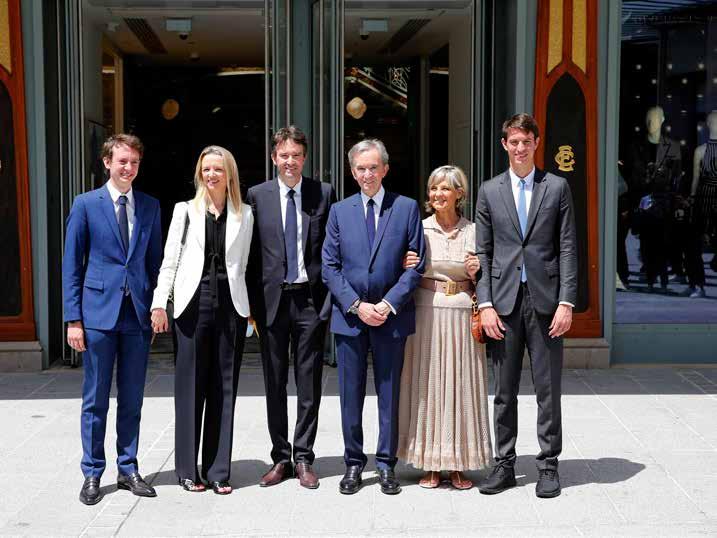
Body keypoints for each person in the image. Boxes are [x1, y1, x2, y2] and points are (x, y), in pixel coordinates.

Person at [475, 113, 577, 499]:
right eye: (514, 142)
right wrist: (485, 303)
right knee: (504, 390)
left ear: (536, 144)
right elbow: (483, 252)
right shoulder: (489, 190)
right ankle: (504, 464)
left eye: (526, 142)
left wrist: (566, 301)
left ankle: (548, 465)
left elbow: (567, 246)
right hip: (503, 303)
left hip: (547, 301)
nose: (520, 148)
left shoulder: (557, 187)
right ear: (505, 145)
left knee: (548, 389)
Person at [322, 139, 426, 495]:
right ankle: (353, 463)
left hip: (390, 317)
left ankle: (386, 464)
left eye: (373, 167)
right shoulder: (339, 212)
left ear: (385, 169)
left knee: (389, 393)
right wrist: (356, 305)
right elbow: (330, 267)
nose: (367, 174)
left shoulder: (406, 208)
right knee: (350, 395)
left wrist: (387, 304)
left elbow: (416, 265)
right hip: (350, 318)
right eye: (361, 168)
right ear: (353, 173)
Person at [63, 134, 162, 505]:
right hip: (97, 316)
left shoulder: (150, 205)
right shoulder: (86, 204)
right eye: (122, 161)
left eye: (134, 162)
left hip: (136, 316)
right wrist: (73, 319)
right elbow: (71, 265)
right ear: (107, 162)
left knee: (132, 398)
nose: (128, 168)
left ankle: (128, 467)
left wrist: (157, 306)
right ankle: (92, 472)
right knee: (96, 399)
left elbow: (155, 263)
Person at [150, 146, 253, 495]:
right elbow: (170, 260)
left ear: (229, 174)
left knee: (224, 387)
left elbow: (244, 266)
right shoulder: (184, 211)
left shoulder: (245, 214)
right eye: (206, 169)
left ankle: (218, 470)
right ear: (199, 173)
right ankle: (186, 470)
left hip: (230, 306)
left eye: (218, 169)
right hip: (192, 304)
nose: (211, 175)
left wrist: (249, 310)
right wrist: (159, 303)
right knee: (190, 388)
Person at [246, 126, 335, 489]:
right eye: (284, 155)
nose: (290, 161)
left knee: (309, 381)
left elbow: (332, 247)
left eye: (296, 155)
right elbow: (250, 254)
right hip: (272, 302)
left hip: (309, 301)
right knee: (274, 382)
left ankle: (304, 457)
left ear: (304, 158)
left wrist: (329, 300)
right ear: (274, 158)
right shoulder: (257, 196)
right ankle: (280, 457)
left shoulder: (323, 193)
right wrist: (250, 305)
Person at [397, 165, 493, 490]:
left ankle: (459, 464)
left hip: (463, 314)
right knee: (428, 383)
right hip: (426, 312)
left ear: (459, 194)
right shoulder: (419, 229)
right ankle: (430, 463)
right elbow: (401, 267)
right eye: (434, 188)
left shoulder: (474, 231)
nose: (438, 194)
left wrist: (478, 270)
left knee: (461, 384)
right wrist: (405, 263)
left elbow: (491, 275)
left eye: (445, 188)